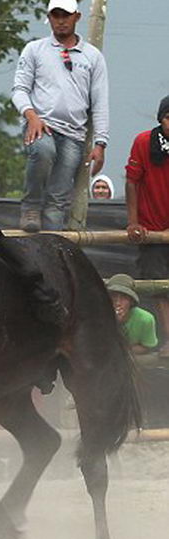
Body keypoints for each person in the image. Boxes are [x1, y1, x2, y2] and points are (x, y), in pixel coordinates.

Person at [12, 0, 109, 233]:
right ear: (49, 18)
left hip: (74, 134)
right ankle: (31, 206)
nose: (61, 20)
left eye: (65, 15)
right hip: (42, 124)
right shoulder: (34, 49)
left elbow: (100, 102)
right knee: (43, 151)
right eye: (56, 15)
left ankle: (54, 247)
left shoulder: (92, 56)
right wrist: (31, 116)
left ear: (77, 17)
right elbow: (19, 90)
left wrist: (101, 143)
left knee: (59, 197)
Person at [126, 94, 169, 355]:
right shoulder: (144, 142)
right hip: (151, 227)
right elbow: (132, 181)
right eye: (168, 117)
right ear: (161, 119)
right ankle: (167, 339)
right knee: (160, 288)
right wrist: (133, 222)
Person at [106, 274, 158, 355]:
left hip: (132, 356)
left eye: (123, 298)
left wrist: (123, 350)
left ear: (131, 301)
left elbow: (146, 347)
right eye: (114, 296)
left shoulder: (145, 319)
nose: (118, 303)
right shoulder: (97, 318)